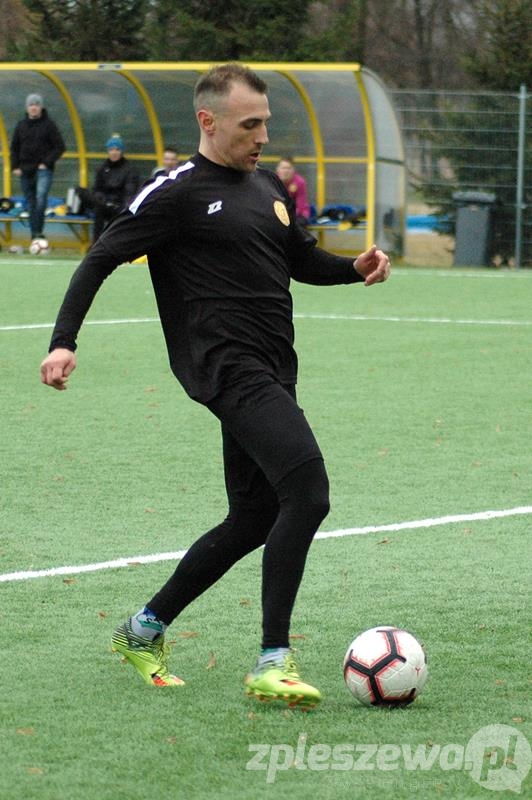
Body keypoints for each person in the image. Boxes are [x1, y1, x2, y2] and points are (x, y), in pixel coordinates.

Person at [40, 64, 390, 709]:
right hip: (226, 369)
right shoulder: (175, 192)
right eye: (250, 124)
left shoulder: (267, 186)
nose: (263, 136)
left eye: (266, 123)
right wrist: (65, 341)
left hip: (274, 367)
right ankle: (272, 659)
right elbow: (100, 257)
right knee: (307, 493)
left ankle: (143, 629)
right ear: (209, 120)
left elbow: (300, 260)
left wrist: (353, 268)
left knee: (254, 516)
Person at [10, 93, 65, 243]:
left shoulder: (49, 125)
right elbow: (14, 148)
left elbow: (60, 147)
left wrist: (46, 163)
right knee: (30, 202)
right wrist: (15, 166)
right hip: (25, 170)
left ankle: (37, 233)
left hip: (43, 171)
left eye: (36, 104)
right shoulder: (21, 125)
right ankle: (35, 235)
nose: (33, 107)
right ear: (27, 108)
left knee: (40, 200)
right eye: (31, 105)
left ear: (41, 107)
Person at [79, 134, 140, 243]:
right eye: (111, 149)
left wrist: (121, 205)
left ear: (121, 151)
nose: (114, 152)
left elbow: (129, 192)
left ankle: (113, 244)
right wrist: (100, 197)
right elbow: (97, 188)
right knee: (88, 198)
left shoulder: (130, 170)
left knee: (114, 213)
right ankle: (96, 244)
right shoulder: (102, 168)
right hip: (103, 204)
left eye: (117, 149)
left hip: (120, 206)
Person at [275, 156, 311, 225]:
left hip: (298, 215)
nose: (286, 171)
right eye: (283, 168)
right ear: (277, 170)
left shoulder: (300, 182)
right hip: (278, 215)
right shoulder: (273, 181)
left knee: (297, 224)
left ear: (293, 170)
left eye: (289, 168)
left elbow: (300, 206)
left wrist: (287, 216)